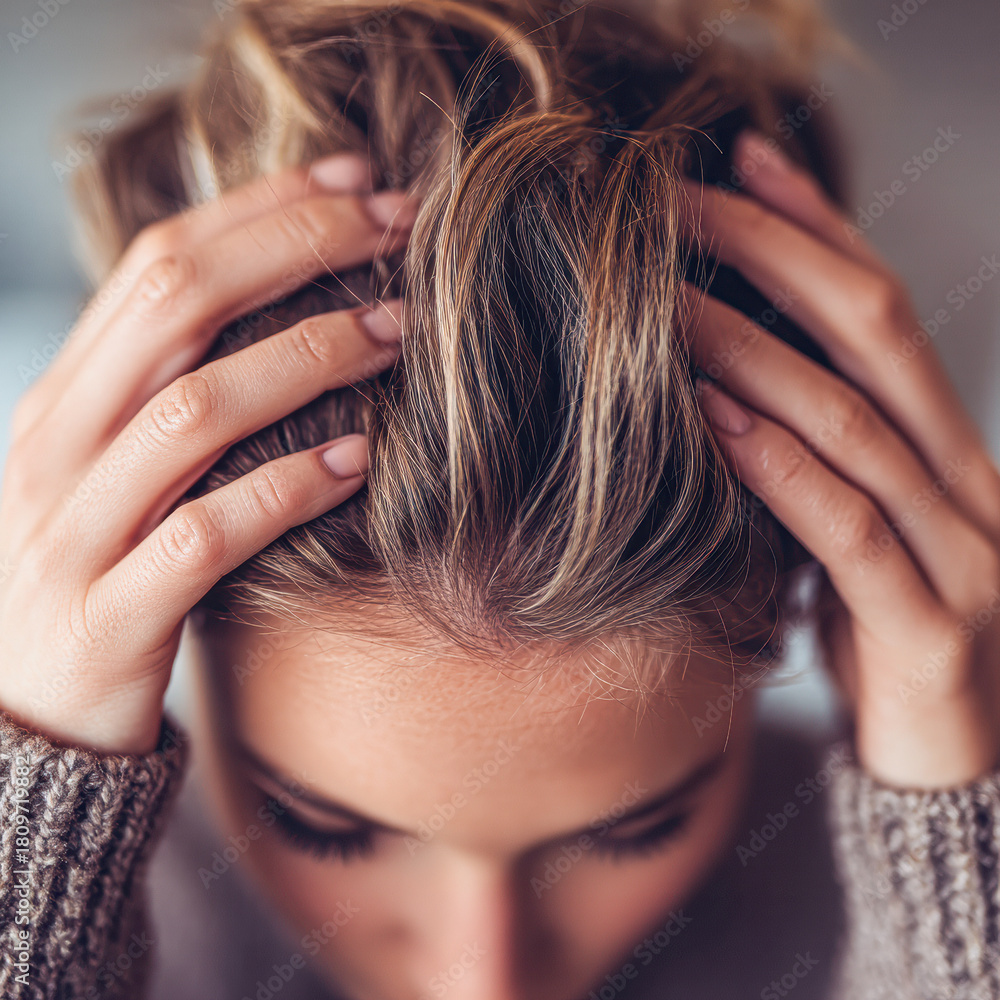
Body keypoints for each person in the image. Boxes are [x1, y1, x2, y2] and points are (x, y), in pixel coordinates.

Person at [2, 1, 999, 998]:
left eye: (633, 830)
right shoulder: (123, 918)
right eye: (327, 827)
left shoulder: (845, 896)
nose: (480, 984)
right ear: (178, 639)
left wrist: (959, 897)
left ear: (799, 609)